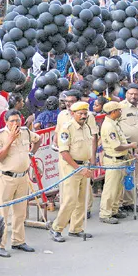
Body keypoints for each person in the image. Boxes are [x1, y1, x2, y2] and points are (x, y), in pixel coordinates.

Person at [0, 110, 40, 251]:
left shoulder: (25, 132)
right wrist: (10, 140)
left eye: (18, 120)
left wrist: (31, 154)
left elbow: (38, 140)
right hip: (6, 178)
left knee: (20, 212)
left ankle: (18, 241)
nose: (15, 123)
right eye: (12, 120)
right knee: (2, 214)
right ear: (6, 122)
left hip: (22, 177)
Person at [49, 102, 95, 242]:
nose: (83, 116)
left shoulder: (86, 127)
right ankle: (56, 228)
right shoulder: (67, 128)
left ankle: (76, 228)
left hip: (84, 165)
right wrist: (79, 168)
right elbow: (64, 152)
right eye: (80, 113)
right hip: (72, 166)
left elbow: (89, 147)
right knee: (70, 199)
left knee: (82, 199)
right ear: (73, 114)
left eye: (85, 113)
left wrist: (89, 165)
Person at [99, 101, 137, 225]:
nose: (121, 112)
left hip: (121, 159)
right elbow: (117, 146)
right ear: (114, 112)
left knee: (118, 188)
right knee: (111, 189)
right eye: (119, 110)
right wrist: (130, 145)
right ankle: (105, 213)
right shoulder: (109, 126)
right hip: (114, 160)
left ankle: (114, 210)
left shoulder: (114, 123)